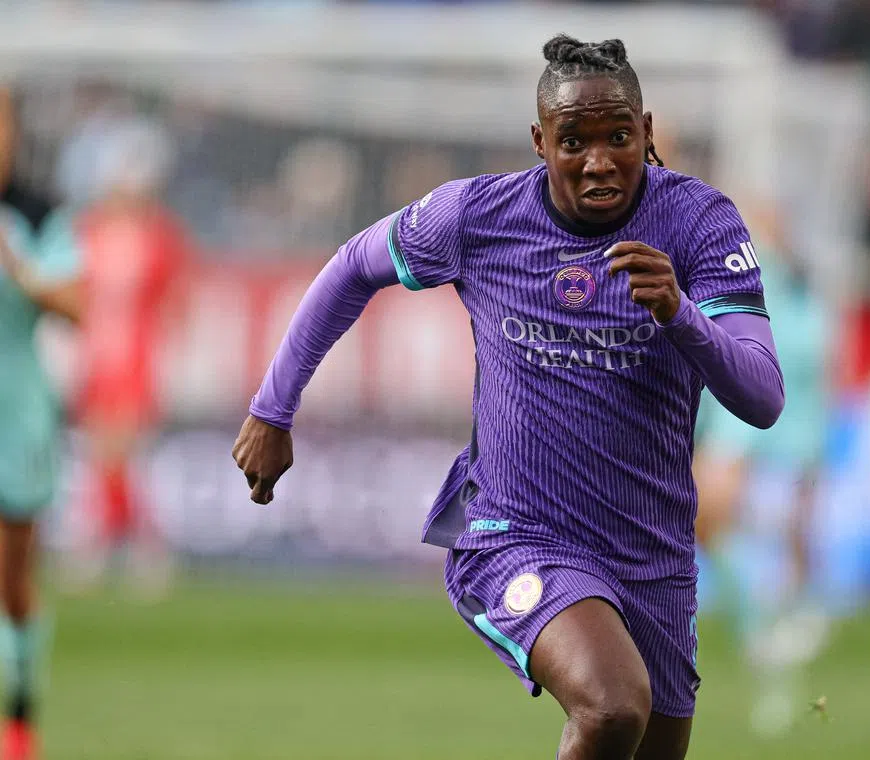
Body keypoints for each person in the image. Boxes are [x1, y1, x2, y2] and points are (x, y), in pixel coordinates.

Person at [232, 36, 784, 759]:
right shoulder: (477, 217)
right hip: (516, 534)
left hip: (653, 553)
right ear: (539, 142)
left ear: (647, 133)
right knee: (612, 708)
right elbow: (351, 267)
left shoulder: (699, 224)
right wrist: (273, 409)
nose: (597, 160)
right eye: (573, 141)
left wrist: (680, 315)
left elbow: (763, 396)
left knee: (644, 734)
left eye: (619, 136)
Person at [691, 218, 833, 735]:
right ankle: (758, 629)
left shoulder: (798, 301)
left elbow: (809, 383)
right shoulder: (742, 282)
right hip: (742, 435)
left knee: (773, 545)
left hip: (782, 441)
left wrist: (813, 455)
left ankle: (776, 647)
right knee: (712, 527)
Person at [63, 115, 187, 597]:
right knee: (99, 449)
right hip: (96, 347)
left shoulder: (158, 236)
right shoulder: (87, 230)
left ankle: (141, 547)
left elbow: (172, 299)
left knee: (128, 448)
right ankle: (106, 541)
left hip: (136, 350)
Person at [0, 86, 83, 760]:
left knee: (13, 581)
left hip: (16, 416)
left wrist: (20, 272)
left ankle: (21, 716)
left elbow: (77, 306)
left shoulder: (36, 214)